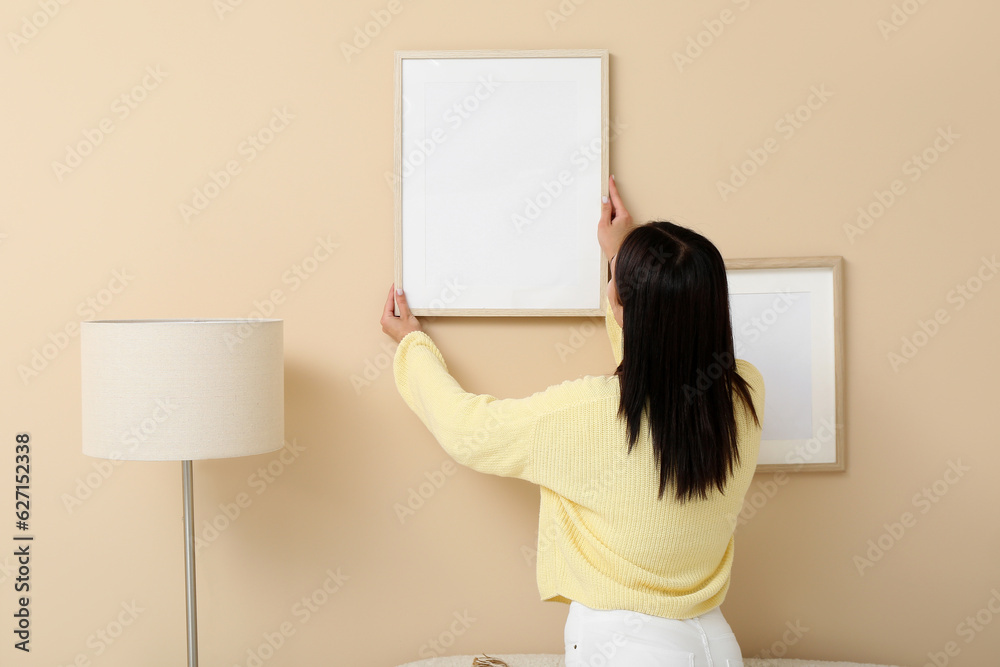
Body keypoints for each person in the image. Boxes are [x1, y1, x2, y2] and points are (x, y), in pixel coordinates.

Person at [380, 174, 764, 667]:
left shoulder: (587, 415)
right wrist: (625, 256)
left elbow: (468, 431)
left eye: (615, 288)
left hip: (626, 648)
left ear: (625, 310)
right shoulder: (744, 394)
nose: (609, 291)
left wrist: (413, 346)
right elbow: (661, 361)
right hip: (715, 644)